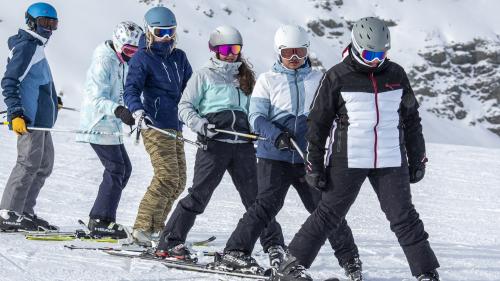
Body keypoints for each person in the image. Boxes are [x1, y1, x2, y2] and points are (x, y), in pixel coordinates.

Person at [273, 17, 440, 281]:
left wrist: (417, 157)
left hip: (390, 159)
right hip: (347, 158)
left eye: (381, 53)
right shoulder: (337, 76)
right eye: (370, 53)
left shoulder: (396, 74)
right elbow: (318, 124)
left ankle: (426, 273)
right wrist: (314, 164)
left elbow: (411, 120)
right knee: (328, 213)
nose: (376, 60)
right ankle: (290, 266)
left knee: (404, 217)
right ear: (356, 45)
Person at [216, 25, 361, 278]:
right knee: (265, 206)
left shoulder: (318, 80)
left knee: (325, 208)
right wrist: (276, 135)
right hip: (275, 156)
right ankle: (235, 251)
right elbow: (256, 118)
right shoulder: (268, 80)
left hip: (308, 158)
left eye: (300, 52)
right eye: (288, 53)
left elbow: (333, 114)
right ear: (279, 52)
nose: (294, 59)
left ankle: (350, 259)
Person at [154, 25, 285, 264]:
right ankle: (170, 242)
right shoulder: (203, 75)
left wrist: (257, 129)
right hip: (214, 144)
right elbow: (184, 107)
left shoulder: (244, 77)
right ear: (214, 49)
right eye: (225, 49)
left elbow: (254, 109)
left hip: (242, 145)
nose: (230, 54)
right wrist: (201, 124)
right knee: (199, 195)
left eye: (235, 48)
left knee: (257, 199)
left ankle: (274, 244)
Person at [124, 6, 192, 245]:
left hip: (176, 125)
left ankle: (157, 227)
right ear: (149, 31)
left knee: (179, 181)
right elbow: (130, 88)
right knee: (166, 176)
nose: (166, 37)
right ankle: (141, 228)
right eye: (160, 32)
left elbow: (191, 90)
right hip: (154, 124)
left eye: (170, 31)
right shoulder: (143, 57)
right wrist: (137, 109)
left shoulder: (179, 57)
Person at [76, 21, 143, 239]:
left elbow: (121, 92)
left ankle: (101, 215)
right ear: (117, 43)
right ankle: (101, 220)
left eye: (136, 51)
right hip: (98, 122)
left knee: (125, 168)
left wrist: (130, 111)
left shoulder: (119, 61)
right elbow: (95, 98)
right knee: (116, 169)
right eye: (128, 51)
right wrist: (118, 110)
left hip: (110, 124)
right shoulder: (104, 60)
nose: (132, 56)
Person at [0, 2, 61, 232]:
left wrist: (54, 100)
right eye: (45, 23)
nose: (49, 29)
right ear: (32, 21)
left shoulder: (37, 47)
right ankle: (8, 212)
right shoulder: (26, 46)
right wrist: (16, 113)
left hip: (43, 122)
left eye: (53, 24)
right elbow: (10, 81)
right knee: (28, 164)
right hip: (29, 119)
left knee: (44, 165)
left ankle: (24, 211)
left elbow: (38, 81)